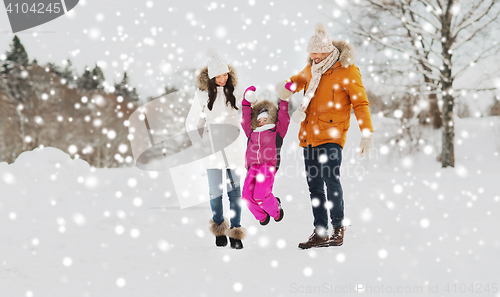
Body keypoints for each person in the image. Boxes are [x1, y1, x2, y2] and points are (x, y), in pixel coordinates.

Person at [275, 23, 374, 249]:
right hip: (309, 136)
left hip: (332, 135)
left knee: (331, 180)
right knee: (315, 186)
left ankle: (338, 227)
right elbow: (296, 81)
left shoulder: (348, 70)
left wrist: (366, 133)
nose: (314, 57)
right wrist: (286, 87)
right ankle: (320, 231)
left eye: (318, 52)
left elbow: (360, 103)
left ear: (328, 50)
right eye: (311, 52)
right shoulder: (311, 68)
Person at [185, 49, 246, 249]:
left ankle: (236, 232)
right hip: (213, 149)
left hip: (234, 148)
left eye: (225, 74)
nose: (222, 78)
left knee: (235, 193)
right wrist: (200, 143)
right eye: (218, 75)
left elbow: (248, 113)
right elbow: (190, 123)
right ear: (211, 77)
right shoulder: (202, 96)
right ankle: (219, 227)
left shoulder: (236, 91)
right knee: (215, 193)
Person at [240, 85, 292, 225]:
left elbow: (283, 115)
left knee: (260, 194)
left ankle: (276, 211)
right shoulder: (252, 132)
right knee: (246, 196)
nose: (261, 122)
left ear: (271, 119)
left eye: (265, 119)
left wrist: (284, 98)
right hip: (252, 166)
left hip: (267, 165)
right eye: (259, 120)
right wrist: (246, 102)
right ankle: (262, 216)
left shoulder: (276, 131)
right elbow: (245, 117)